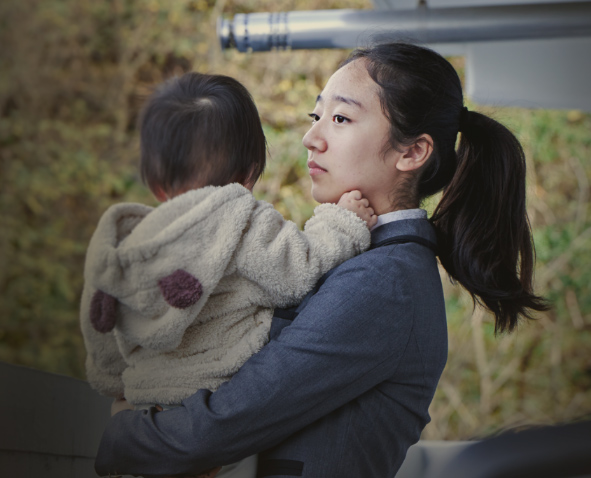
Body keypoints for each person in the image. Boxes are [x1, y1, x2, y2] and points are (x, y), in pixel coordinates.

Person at [94, 42, 548, 478]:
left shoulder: (385, 282)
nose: (311, 138)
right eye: (316, 116)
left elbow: (225, 421)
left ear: (412, 152)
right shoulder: (354, 256)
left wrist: (121, 432)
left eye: (340, 117)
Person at [80, 72, 377, 476]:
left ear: (154, 182)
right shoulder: (241, 219)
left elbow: (100, 332)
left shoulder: (122, 246)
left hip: (148, 411)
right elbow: (299, 269)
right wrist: (342, 222)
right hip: (211, 406)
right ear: (250, 173)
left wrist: (118, 388)